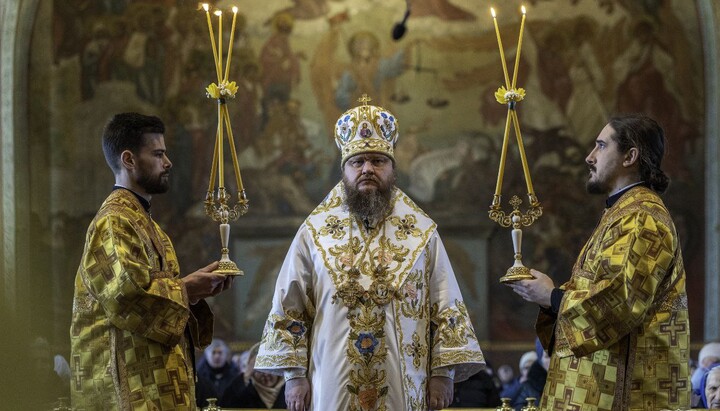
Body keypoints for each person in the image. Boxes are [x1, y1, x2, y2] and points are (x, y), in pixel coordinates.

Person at [255, 95, 485, 411]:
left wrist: (442, 374)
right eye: (357, 162)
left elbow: (446, 306)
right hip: (332, 382)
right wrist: (295, 376)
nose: (367, 169)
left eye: (377, 161)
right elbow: (289, 306)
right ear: (344, 170)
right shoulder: (315, 231)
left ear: (392, 167)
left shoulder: (421, 232)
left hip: (405, 383)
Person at [508, 114, 690, 410]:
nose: (589, 157)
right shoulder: (623, 213)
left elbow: (620, 300)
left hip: (627, 395)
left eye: (601, 146)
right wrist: (547, 297)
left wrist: (552, 296)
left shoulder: (641, 218)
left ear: (630, 156)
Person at [70, 112, 234, 410]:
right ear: (129, 160)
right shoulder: (114, 222)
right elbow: (126, 296)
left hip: (153, 386)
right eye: (158, 154)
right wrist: (187, 289)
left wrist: (193, 289)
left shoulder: (144, 223)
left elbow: (152, 288)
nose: (167, 162)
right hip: (129, 390)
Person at [221, 343, 288, 409]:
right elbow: (225, 405)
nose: (266, 374)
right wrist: (246, 375)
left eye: (270, 369)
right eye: (259, 370)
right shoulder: (246, 390)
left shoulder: (290, 389)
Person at [195, 339, 241, 407]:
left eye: (220, 353)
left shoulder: (235, 376)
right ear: (207, 355)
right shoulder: (198, 377)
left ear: (226, 355)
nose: (217, 356)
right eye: (213, 352)